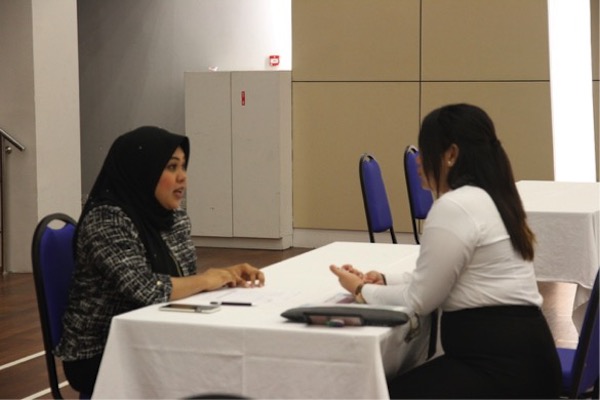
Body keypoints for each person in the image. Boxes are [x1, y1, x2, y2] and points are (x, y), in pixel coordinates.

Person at [330, 104, 561, 399]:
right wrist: (385, 280)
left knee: (373, 392)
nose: (418, 160)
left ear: (451, 154)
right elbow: (445, 276)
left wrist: (361, 290)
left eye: (425, 150)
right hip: (526, 361)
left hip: (499, 371)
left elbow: (420, 299)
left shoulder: (454, 206)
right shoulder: (493, 198)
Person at [54, 126, 265, 396]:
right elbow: (147, 290)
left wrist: (225, 276)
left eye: (184, 167)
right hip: (104, 352)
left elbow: (182, 282)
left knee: (232, 360)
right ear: (143, 171)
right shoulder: (107, 220)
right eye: (171, 167)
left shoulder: (173, 218)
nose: (182, 177)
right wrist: (206, 279)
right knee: (222, 370)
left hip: (159, 333)